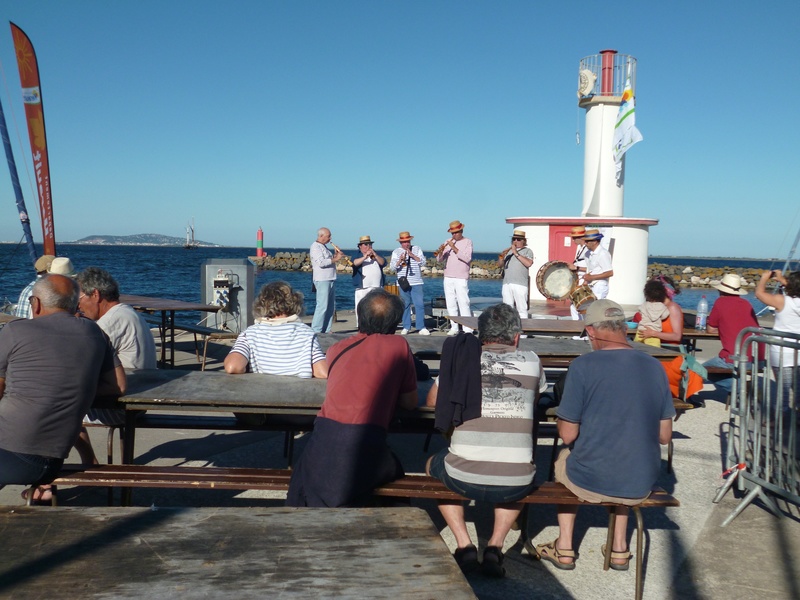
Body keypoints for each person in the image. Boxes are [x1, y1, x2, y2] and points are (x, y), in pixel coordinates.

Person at [535, 299, 674, 571]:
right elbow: (664, 436)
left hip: (593, 477)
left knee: (563, 459)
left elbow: (567, 435)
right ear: (623, 328)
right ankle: (619, 548)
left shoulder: (583, 366)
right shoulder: (655, 367)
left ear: (591, 332)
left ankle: (564, 547)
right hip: (639, 481)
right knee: (626, 453)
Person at [425, 303, 547, 577]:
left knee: (432, 465)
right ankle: (495, 546)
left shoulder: (462, 361)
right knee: (518, 467)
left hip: (461, 474)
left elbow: (432, 402)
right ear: (516, 337)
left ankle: (464, 544)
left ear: (481, 335)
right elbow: (535, 400)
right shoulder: (533, 362)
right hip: (516, 481)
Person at [0, 274, 126, 502]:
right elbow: (118, 385)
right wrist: (73, 387)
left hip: (10, 454)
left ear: (35, 304)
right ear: (74, 305)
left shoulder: (14, 332)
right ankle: (40, 491)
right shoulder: (95, 333)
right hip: (52, 462)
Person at [286, 289, 417, 507]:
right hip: (365, 440)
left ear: (360, 316)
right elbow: (410, 403)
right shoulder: (399, 346)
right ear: (395, 323)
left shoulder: (337, 348)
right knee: (394, 489)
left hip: (322, 440)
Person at [73, 267, 158, 463]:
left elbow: (78, 361)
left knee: (56, 411)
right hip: (139, 399)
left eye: (79, 300)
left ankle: (85, 464)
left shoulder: (110, 322)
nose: (78, 307)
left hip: (120, 406)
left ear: (95, 294)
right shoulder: (128, 312)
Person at [224, 281, 328, 379]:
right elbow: (322, 372)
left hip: (261, 394)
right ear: (295, 303)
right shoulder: (307, 334)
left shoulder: (250, 334)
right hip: (298, 395)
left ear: (261, 305)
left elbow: (233, 366)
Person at [704, 274, 764, 389]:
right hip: (757, 357)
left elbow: (711, 329)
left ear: (721, 290)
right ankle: (743, 389)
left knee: (698, 371)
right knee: (720, 369)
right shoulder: (746, 304)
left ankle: (741, 389)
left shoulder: (720, 303)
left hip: (735, 358)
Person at [756, 270, 800, 414]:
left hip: (782, 352)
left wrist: (763, 279)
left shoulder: (783, 301)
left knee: (783, 389)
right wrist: (782, 280)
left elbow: (760, 294)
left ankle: (778, 421)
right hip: (798, 351)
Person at [437, 220, 473, 335]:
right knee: (450, 303)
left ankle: (467, 328)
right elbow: (439, 260)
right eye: (452, 233)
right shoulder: (447, 242)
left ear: (461, 231)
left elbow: (467, 258)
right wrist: (441, 252)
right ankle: (454, 327)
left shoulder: (468, 242)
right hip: (448, 276)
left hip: (461, 277)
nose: (454, 235)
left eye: (456, 233)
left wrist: (455, 248)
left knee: (463, 302)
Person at [390, 231, 429, 335]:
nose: (406, 244)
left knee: (419, 304)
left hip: (416, 281)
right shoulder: (396, 252)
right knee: (405, 304)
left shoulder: (417, 249)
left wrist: (412, 255)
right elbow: (392, 267)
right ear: (400, 243)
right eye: (403, 242)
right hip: (403, 282)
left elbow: (423, 262)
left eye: (407, 241)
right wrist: (400, 260)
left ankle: (421, 327)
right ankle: (406, 326)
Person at [309, 227, 343, 333]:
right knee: (322, 306)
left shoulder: (324, 247)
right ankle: (316, 329)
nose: (330, 238)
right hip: (322, 279)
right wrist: (336, 259)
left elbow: (329, 260)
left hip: (330, 278)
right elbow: (321, 263)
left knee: (330, 307)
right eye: (328, 236)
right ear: (321, 236)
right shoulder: (315, 247)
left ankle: (326, 329)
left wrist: (336, 255)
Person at [638, 275, 685, 346]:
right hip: (652, 347)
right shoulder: (654, 306)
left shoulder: (672, 307)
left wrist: (653, 333)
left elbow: (677, 336)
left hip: (670, 351)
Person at [498, 229, 534, 320]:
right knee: (507, 309)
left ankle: (523, 333)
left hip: (520, 284)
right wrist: (502, 257)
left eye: (518, 239)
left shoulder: (527, 251)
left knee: (521, 309)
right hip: (507, 283)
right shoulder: (509, 252)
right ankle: (508, 331)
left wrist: (516, 253)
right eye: (514, 239)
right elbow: (500, 265)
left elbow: (528, 263)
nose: (515, 241)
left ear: (523, 241)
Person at [351, 235, 386, 324]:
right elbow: (354, 263)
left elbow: (383, 262)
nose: (368, 247)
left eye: (370, 244)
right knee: (361, 307)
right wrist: (364, 257)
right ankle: (361, 325)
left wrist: (375, 255)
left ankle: (376, 324)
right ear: (360, 246)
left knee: (377, 307)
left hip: (376, 286)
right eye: (365, 245)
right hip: (363, 287)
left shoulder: (376, 254)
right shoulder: (357, 255)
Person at [634, 280, 670, 347]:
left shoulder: (644, 305)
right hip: (653, 334)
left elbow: (640, 313)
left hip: (641, 332)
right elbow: (665, 315)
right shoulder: (662, 307)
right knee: (654, 353)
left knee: (637, 350)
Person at [582, 229, 613, 299]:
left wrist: (591, 277)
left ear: (595, 241)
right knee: (577, 307)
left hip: (600, 286)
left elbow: (610, 273)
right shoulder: (587, 254)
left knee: (595, 308)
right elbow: (590, 270)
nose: (585, 243)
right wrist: (585, 281)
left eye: (587, 241)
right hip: (590, 285)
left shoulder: (603, 253)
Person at [568, 226, 588, 320]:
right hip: (578, 281)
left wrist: (576, 267)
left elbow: (592, 268)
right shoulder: (581, 249)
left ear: (581, 238)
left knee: (581, 308)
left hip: (584, 282)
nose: (573, 240)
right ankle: (578, 331)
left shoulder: (587, 250)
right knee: (574, 306)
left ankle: (580, 332)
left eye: (574, 238)